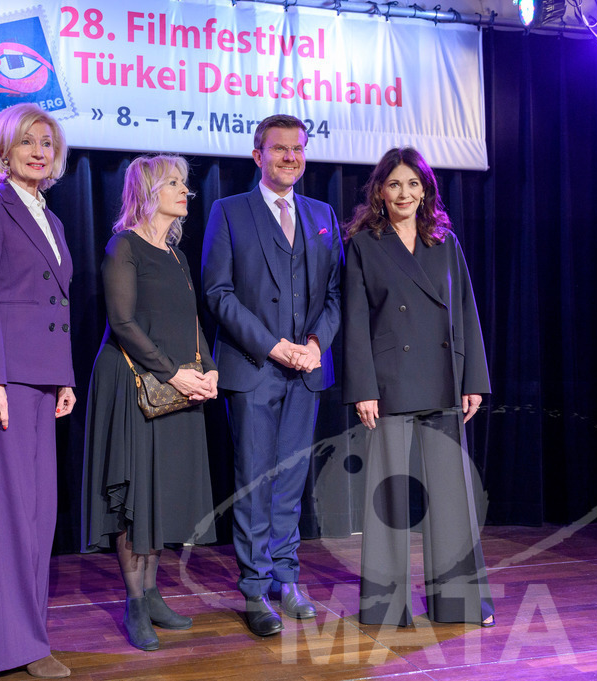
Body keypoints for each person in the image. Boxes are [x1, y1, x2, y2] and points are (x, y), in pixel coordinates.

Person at [201, 115, 343, 636]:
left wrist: (312, 345)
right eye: (279, 149)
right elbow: (217, 293)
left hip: (306, 371)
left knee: (290, 481)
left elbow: (335, 295)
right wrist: (273, 345)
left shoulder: (322, 213)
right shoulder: (228, 211)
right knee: (255, 481)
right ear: (257, 155)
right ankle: (255, 588)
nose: (290, 157)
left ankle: (287, 577)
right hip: (254, 369)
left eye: (298, 149)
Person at [341, 147, 495, 628]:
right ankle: (385, 609)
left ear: (425, 190)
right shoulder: (364, 244)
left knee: (452, 498)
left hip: (444, 378)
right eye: (394, 185)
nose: (404, 193)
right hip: (388, 385)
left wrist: (473, 380)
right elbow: (355, 320)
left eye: (413, 184)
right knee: (387, 496)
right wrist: (363, 387)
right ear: (379, 192)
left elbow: (465, 310)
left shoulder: (444, 241)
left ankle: (461, 604)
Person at [82, 155, 218, 651]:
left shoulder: (178, 256)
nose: (187, 192)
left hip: (178, 384)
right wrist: (173, 372)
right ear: (149, 189)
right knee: (136, 498)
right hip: (134, 384)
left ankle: (155, 593)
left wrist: (208, 369)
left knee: (162, 493)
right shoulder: (124, 246)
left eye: (186, 184)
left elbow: (191, 320)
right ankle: (134, 602)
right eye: (175, 183)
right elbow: (122, 322)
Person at [0, 103, 76, 678]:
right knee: (10, 519)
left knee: (36, 518)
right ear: (3, 151)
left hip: (41, 384)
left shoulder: (51, 221)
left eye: (48, 143)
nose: (39, 151)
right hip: (5, 383)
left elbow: (54, 307)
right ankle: (21, 650)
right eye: (29, 142)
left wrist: (63, 377)